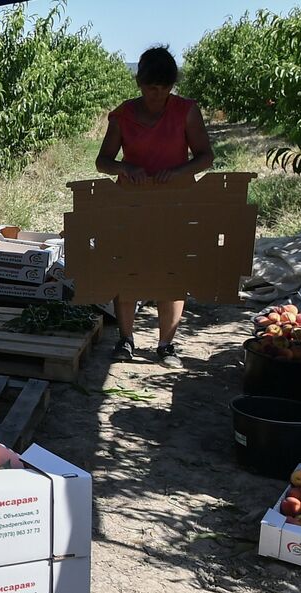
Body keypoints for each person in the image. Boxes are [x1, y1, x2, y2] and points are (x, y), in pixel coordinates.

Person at [95, 45, 215, 369]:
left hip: (175, 202)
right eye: (151, 88)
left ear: (171, 87)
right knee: (128, 268)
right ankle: (126, 339)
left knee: (171, 272)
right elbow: (102, 161)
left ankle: (166, 344)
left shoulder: (186, 111)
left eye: (164, 89)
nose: (157, 95)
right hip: (131, 204)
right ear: (139, 83)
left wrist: (178, 172)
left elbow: (206, 155)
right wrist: (124, 168)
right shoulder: (123, 115)